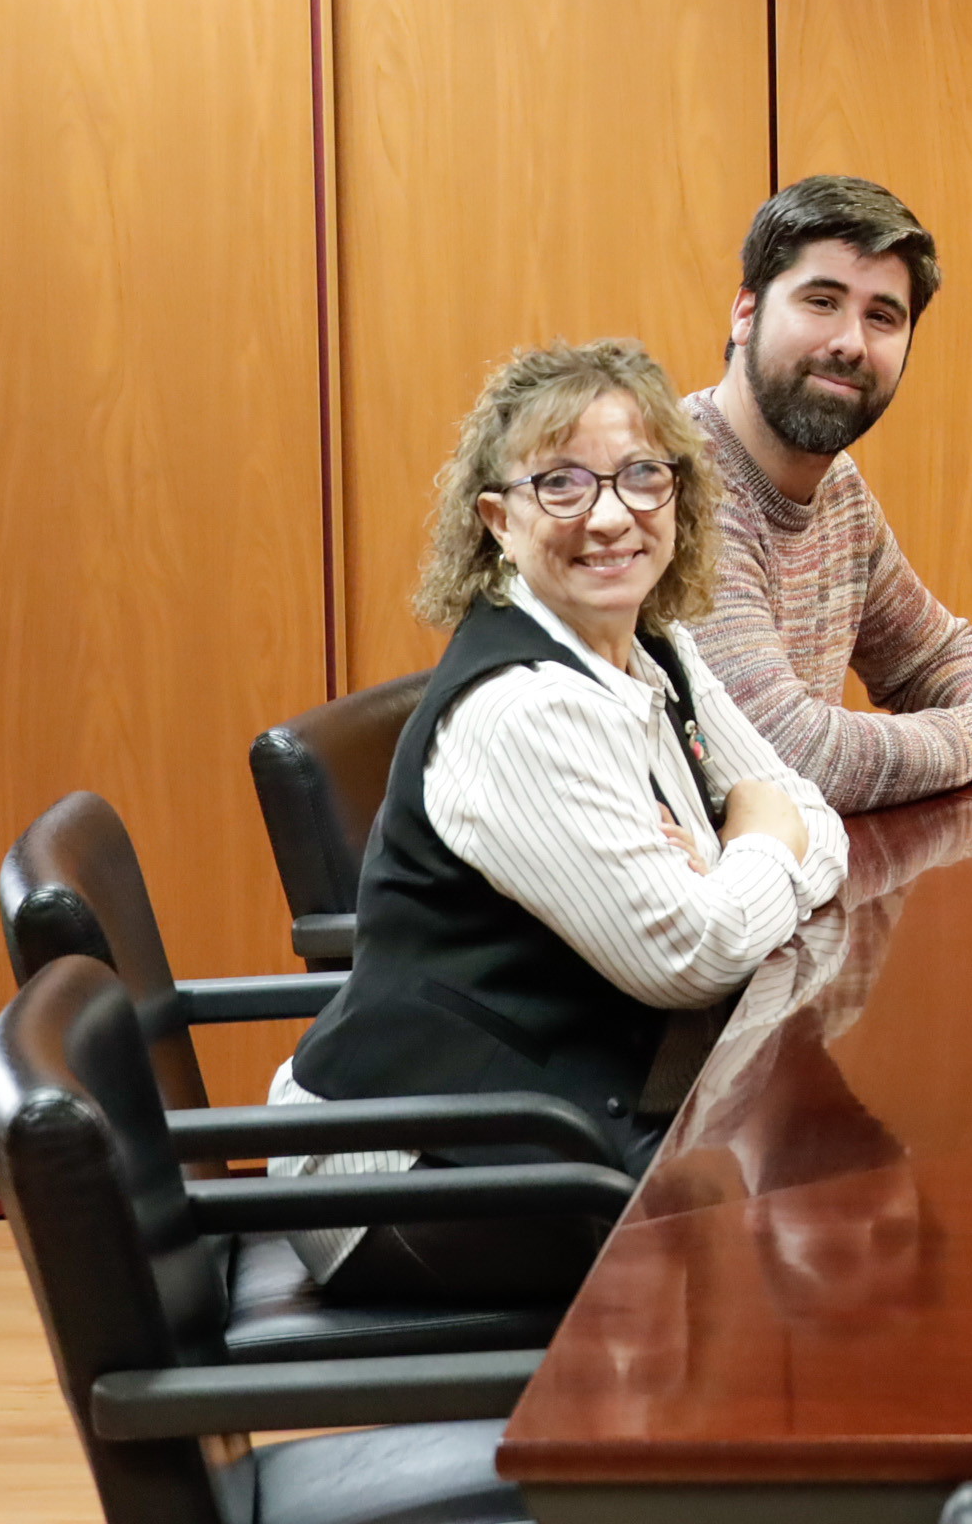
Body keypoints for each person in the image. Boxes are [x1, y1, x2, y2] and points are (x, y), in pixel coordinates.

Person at [270, 340, 850, 1302]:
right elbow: (693, 955)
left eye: (642, 476)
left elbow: (814, 813)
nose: (612, 515)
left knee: (815, 1193)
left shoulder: (654, 650)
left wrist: (730, 859)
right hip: (400, 1168)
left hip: (545, 1119)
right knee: (783, 1253)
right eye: (563, 484)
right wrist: (755, 842)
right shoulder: (524, 713)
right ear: (499, 521)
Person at [685, 176, 972, 811]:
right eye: (821, 301)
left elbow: (926, 658)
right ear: (745, 314)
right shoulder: (674, 485)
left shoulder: (836, 485)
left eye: (882, 317)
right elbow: (787, 756)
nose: (850, 343)